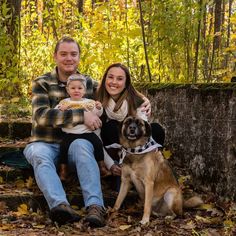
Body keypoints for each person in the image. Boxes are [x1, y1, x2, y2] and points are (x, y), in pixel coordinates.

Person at [23, 36, 106, 227]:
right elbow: (42, 117)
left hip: (75, 145)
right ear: (55, 56)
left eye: (73, 54)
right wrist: (81, 116)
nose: (69, 58)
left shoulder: (89, 84)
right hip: (45, 143)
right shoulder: (42, 83)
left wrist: (143, 100)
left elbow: (118, 92)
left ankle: (95, 207)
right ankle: (60, 206)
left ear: (78, 57)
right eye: (64, 54)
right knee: (37, 153)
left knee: (83, 145)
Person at [96, 63, 165, 179]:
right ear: (105, 79)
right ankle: (117, 171)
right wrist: (110, 164)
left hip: (136, 149)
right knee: (111, 127)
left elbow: (142, 133)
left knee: (156, 129)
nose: (114, 82)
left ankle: (144, 172)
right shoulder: (97, 101)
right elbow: (96, 137)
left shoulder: (137, 101)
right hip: (113, 153)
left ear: (126, 83)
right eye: (110, 77)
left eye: (119, 79)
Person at [55, 73, 109, 181]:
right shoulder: (64, 103)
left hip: (86, 133)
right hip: (70, 133)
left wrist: (99, 108)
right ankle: (63, 170)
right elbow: (57, 114)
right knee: (63, 148)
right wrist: (61, 109)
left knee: (98, 144)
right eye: (73, 88)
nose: (76, 90)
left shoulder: (89, 103)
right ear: (68, 90)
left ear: (84, 90)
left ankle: (102, 167)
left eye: (80, 88)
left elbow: (97, 114)